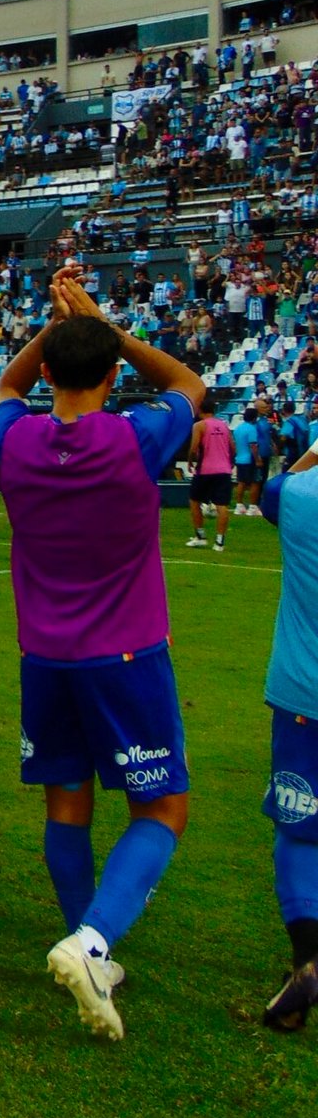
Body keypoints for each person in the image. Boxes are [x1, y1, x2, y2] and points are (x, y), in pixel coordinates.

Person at [0, 277, 201, 1040]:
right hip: (126, 651)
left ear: (48, 370)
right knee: (162, 805)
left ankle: (89, 947)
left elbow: (6, 383)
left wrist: (53, 332)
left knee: (66, 804)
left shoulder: (14, 435)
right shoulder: (137, 435)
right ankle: (92, 940)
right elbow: (186, 381)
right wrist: (103, 326)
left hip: (44, 655)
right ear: (113, 375)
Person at [253, 441, 318, 1029]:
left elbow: (274, 494)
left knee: (299, 828)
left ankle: (307, 958)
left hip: (303, 692)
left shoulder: (299, 495)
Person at [185, 394, 234, 550]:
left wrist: (191, 461)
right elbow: (233, 448)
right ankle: (219, 542)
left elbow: (194, 448)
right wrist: (229, 462)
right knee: (223, 506)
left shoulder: (199, 426)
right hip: (224, 470)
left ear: (200, 409)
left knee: (194, 501)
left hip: (206, 469)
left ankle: (200, 535)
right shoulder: (224, 425)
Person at [232, 407, 262, 517]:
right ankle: (252, 507)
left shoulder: (238, 428)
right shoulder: (251, 429)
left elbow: (235, 444)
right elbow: (253, 445)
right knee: (255, 482)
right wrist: (258, 459)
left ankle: (239, 506)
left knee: (241, 482)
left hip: (240, 458)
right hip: (249, 459)